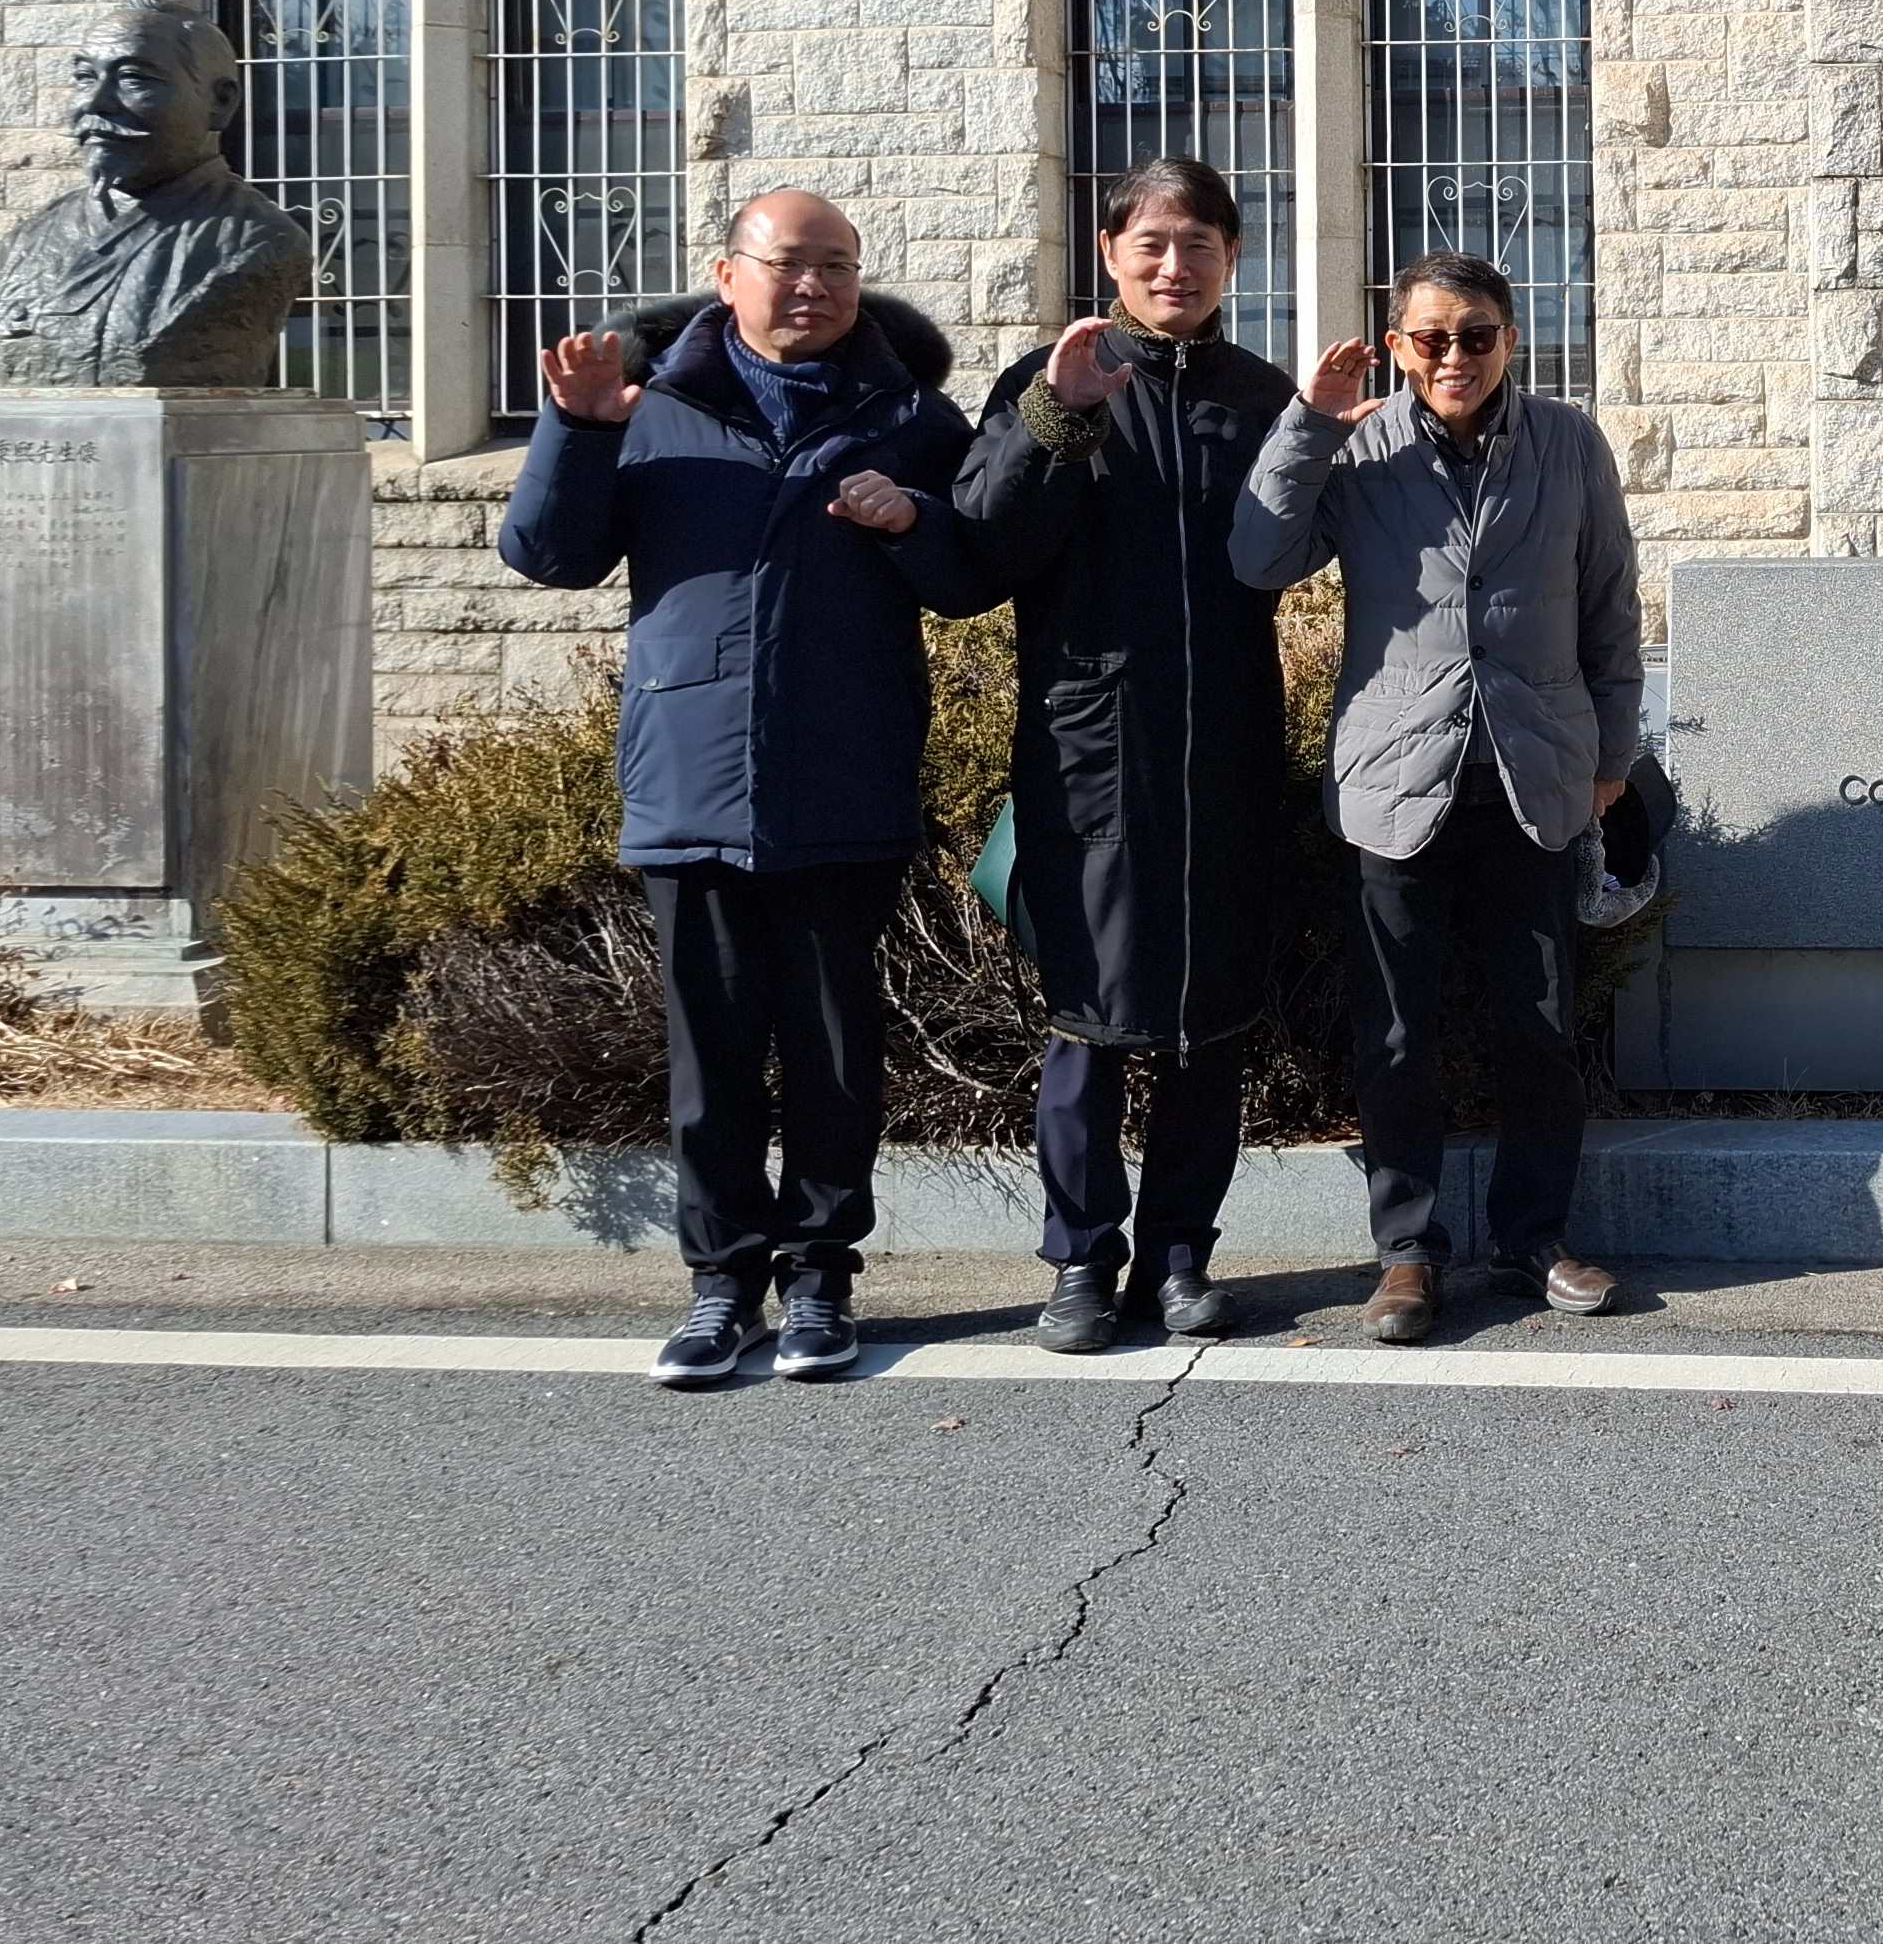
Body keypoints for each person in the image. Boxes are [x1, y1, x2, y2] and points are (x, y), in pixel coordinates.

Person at [498, 189, 997, 1389]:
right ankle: (721, 1285)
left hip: (844, 772)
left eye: (837, 265)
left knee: (836, 1053)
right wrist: (577, 431)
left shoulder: (911, 416)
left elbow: (971, 578)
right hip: (691, 779)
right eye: (787, 263)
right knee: (710, 1057)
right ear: (728, 277)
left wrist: (912, 519)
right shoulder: (652, 409)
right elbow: (548, 554)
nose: (812, 285)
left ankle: (821, 1279)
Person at [1232, 253, 1643, 1345]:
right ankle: (1408, 1254)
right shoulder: (1357, 443)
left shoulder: (1569, 443)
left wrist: (1613, 751)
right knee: (1398, 1032)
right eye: (1429, 338)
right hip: (1394, 777)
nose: (1453, 356)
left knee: (1539, 1026)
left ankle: (1534, 1238)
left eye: (1475, 336)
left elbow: (1610, 601)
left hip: (1535, 772)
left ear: (1511, 339)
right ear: (1397, 346)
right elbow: (1260, 558)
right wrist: (1307, 425)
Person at [957, 159, 1299, 1355]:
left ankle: (1180, 1256)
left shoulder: (1259, 395)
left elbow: (1296, 547)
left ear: (1233, 261)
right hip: (1089, 749)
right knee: (1090, 1019)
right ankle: (1079, 1262)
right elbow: (984, 545)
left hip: (1229, 748)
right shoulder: (1051, 378)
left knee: (1212, 1018)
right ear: (1110, 252)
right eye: (1151, 242)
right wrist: (1055, 418)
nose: (1175, 265)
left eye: (1199, 244)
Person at [0, 0, 316, 387]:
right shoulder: (22, 244)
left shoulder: (257, 240)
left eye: (134, 79)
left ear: (220, 102)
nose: (95, 103)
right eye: (85, 77)